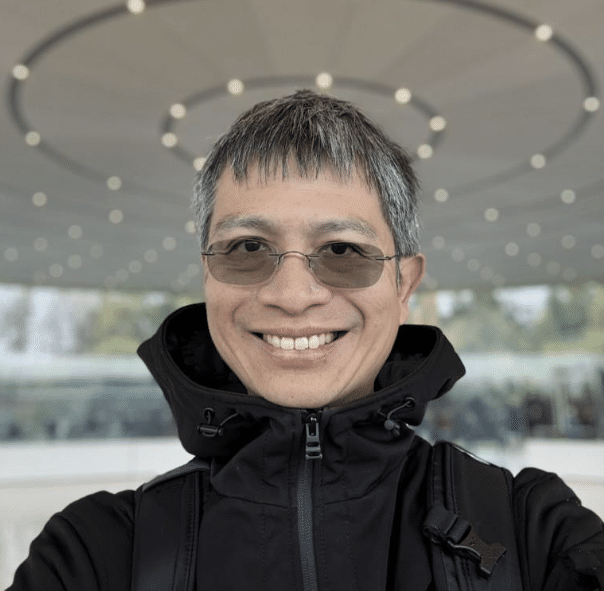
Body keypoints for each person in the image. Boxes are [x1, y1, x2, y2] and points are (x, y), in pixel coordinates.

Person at [8, 89, 604, 591]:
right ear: (208, 275)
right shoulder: (95, 553)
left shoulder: (533, 531)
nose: (292, 295)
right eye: (247, 248)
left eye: (342, 251)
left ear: (404, 283)